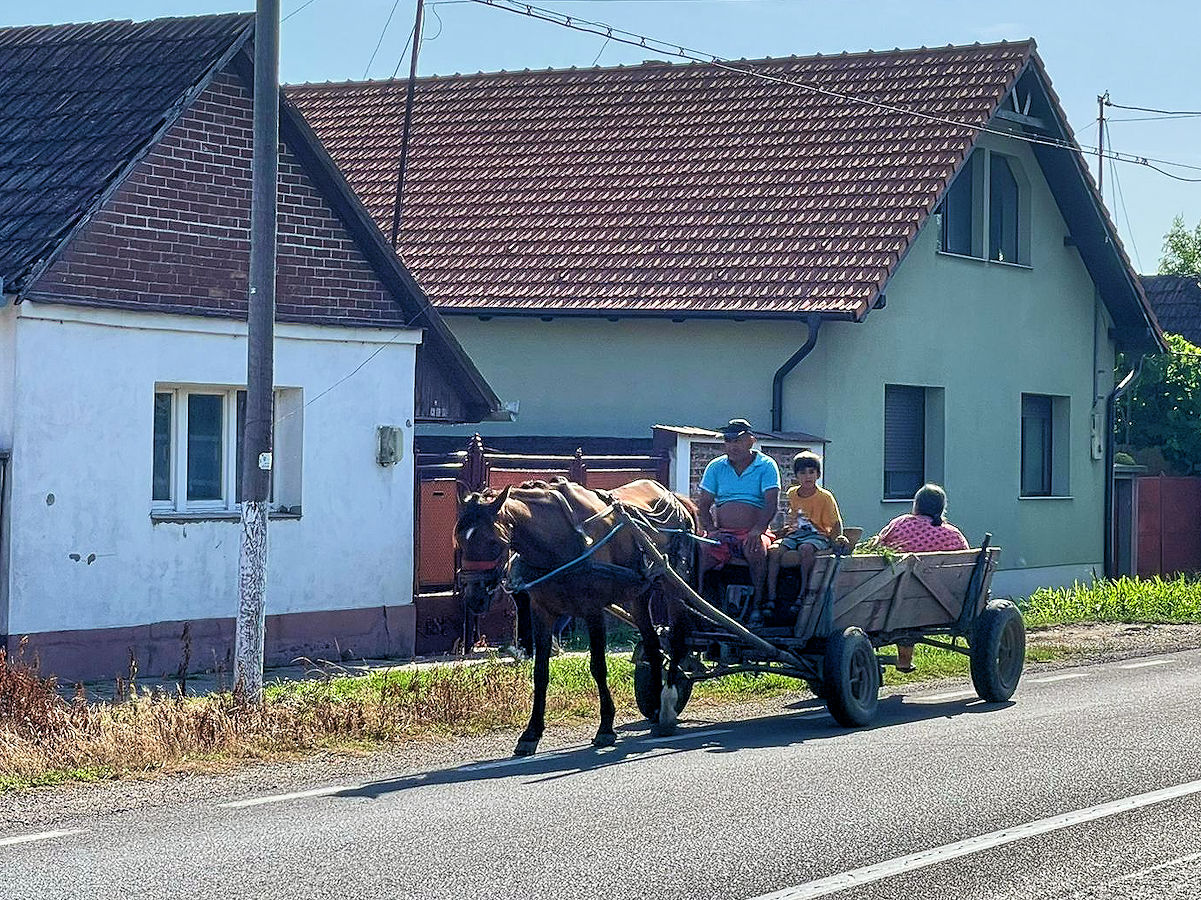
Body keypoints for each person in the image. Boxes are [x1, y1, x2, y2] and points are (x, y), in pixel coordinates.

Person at [867, 483, 969, 672]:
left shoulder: (901, 523)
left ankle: (903, 660)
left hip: (893, 603)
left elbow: (874, 547)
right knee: (910, 590)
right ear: (940, 508)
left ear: (917, 505)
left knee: (901, 588)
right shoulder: (953, 535)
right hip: (941, 605)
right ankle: (904, 661)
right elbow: (964, 569)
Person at [695, 419, 781, 625]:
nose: (732, 445)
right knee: (697, 553)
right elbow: (704, 505)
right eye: (728, 440)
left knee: (756, 549)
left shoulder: (766, 465)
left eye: (738, 440)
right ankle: (699, 607)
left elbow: (771, 504)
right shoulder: (716, 467)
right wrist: (711, 531)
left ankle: (758, 607)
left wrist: (757, 530)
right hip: (723, 533)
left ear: (751, 441)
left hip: (753, 532)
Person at [766, 452, 849, 616]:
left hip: (817, 535)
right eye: (803, 473)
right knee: (774, 551)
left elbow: (835, 523)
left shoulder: (825, 497)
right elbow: (789, 517)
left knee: (805, 549)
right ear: (796, 475)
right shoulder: (792, 494)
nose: (807, 476)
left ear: (818, 474)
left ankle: (803, 594)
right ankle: (770, 597)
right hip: (795, 534)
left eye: (811, 472)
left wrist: (837, 539)